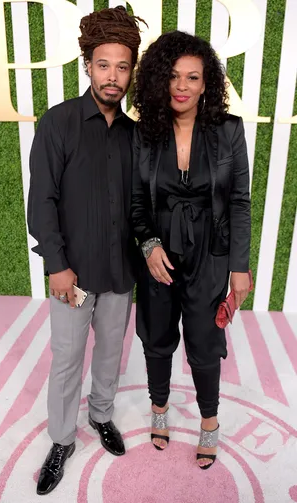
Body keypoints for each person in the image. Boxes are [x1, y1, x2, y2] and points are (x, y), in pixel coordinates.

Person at [27, 6, 146, 495]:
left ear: (131, 71)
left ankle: (101, 416)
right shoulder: (58, 123)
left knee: (111, 354)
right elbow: (42, 201)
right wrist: (57, 266)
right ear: (88, 66)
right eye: (103, 65)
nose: (112, 76)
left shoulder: (136, 134)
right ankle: (61, 440)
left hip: (121, 272)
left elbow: (141, 205)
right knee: (67, 358)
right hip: (72, 276)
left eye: (122, 66)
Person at [131, 30, 251, 469]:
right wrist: (148, 245)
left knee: (204, 339)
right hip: (158, 252)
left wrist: (240, 266)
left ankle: (209, 423)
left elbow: (239, 200)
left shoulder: (229, 131)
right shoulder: (144, 133)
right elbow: (137, 203)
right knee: (156, 336)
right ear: (162, 79)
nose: (182, 86)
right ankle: (159, 409)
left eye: (193, 78)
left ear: (207, 83)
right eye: (175, 76)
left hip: (211, 253)